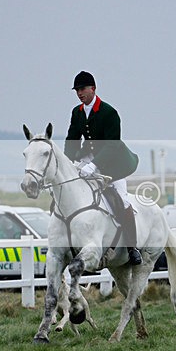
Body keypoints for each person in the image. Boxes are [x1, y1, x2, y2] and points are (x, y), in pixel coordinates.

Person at [64, 71, 142, 265]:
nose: (79, 93)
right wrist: (68, 163)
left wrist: (94, 165)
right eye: (77, 90)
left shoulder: (109, 112)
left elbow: (112, 145)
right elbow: (73, 139)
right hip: (88, 158)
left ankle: (132, 248)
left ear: (93, 88)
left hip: (113, 163)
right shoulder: (77, 112)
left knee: (122, 200)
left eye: (82, 89)